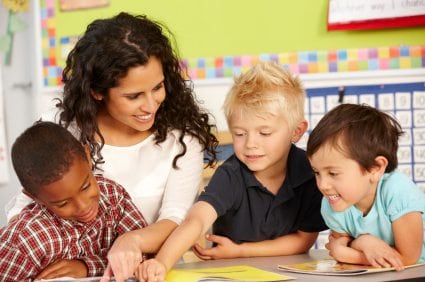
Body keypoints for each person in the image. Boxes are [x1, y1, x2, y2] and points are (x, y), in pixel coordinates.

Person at [5, 12, 218, 280]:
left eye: (158, 87)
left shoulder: (183, 141)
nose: (151, 106)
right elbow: (23, 216)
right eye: (133, 96)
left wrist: (132, 240)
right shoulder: (61, 130)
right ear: (97, 91)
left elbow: (176, 221)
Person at [136, 61, 328, 282]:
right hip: (234, 274)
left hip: (291, 274)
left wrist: (242, 250)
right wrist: (161, 262)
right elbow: (196, 220)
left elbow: (303, 240)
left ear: (296, 131)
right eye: (239, 133)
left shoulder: (310, 172)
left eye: (264, 133)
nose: (250, 144)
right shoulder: (231, 175)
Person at [0, 121, 148, 281]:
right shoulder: (27, 240)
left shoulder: (113, 196)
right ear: (35, 198)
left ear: (88, 157)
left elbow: (144, 258)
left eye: (85, 187)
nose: (83, 206)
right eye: (63, 203)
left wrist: (87, 266)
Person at [306, 103, 425, 271]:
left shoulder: (398, 191)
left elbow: (407, 259)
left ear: (375, 168)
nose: (323, 185)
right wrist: (362, 243)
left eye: (333, 173)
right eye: (317, 172)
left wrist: (356, 247)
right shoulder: (332, 204)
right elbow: (342, 248)